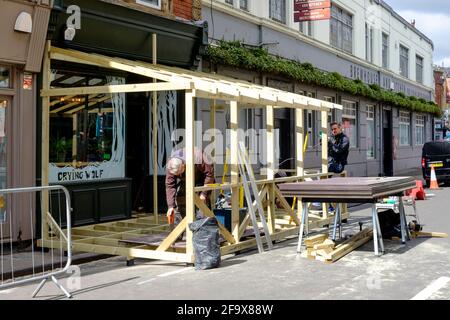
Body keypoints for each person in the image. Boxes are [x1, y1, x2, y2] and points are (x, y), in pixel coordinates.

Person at [165, 148, 215, 239]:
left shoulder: (199, 157)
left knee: (202, 208)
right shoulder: (171, 164)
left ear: (183, 165)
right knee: (178, 204)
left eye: (179, 172)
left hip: (203, 180)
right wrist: (170, 206)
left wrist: (204, 193)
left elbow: (209, 174)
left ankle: (202, 238)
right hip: (187, 181)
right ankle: (176, 236)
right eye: (177, 175)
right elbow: (170, 185)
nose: (178, 175)